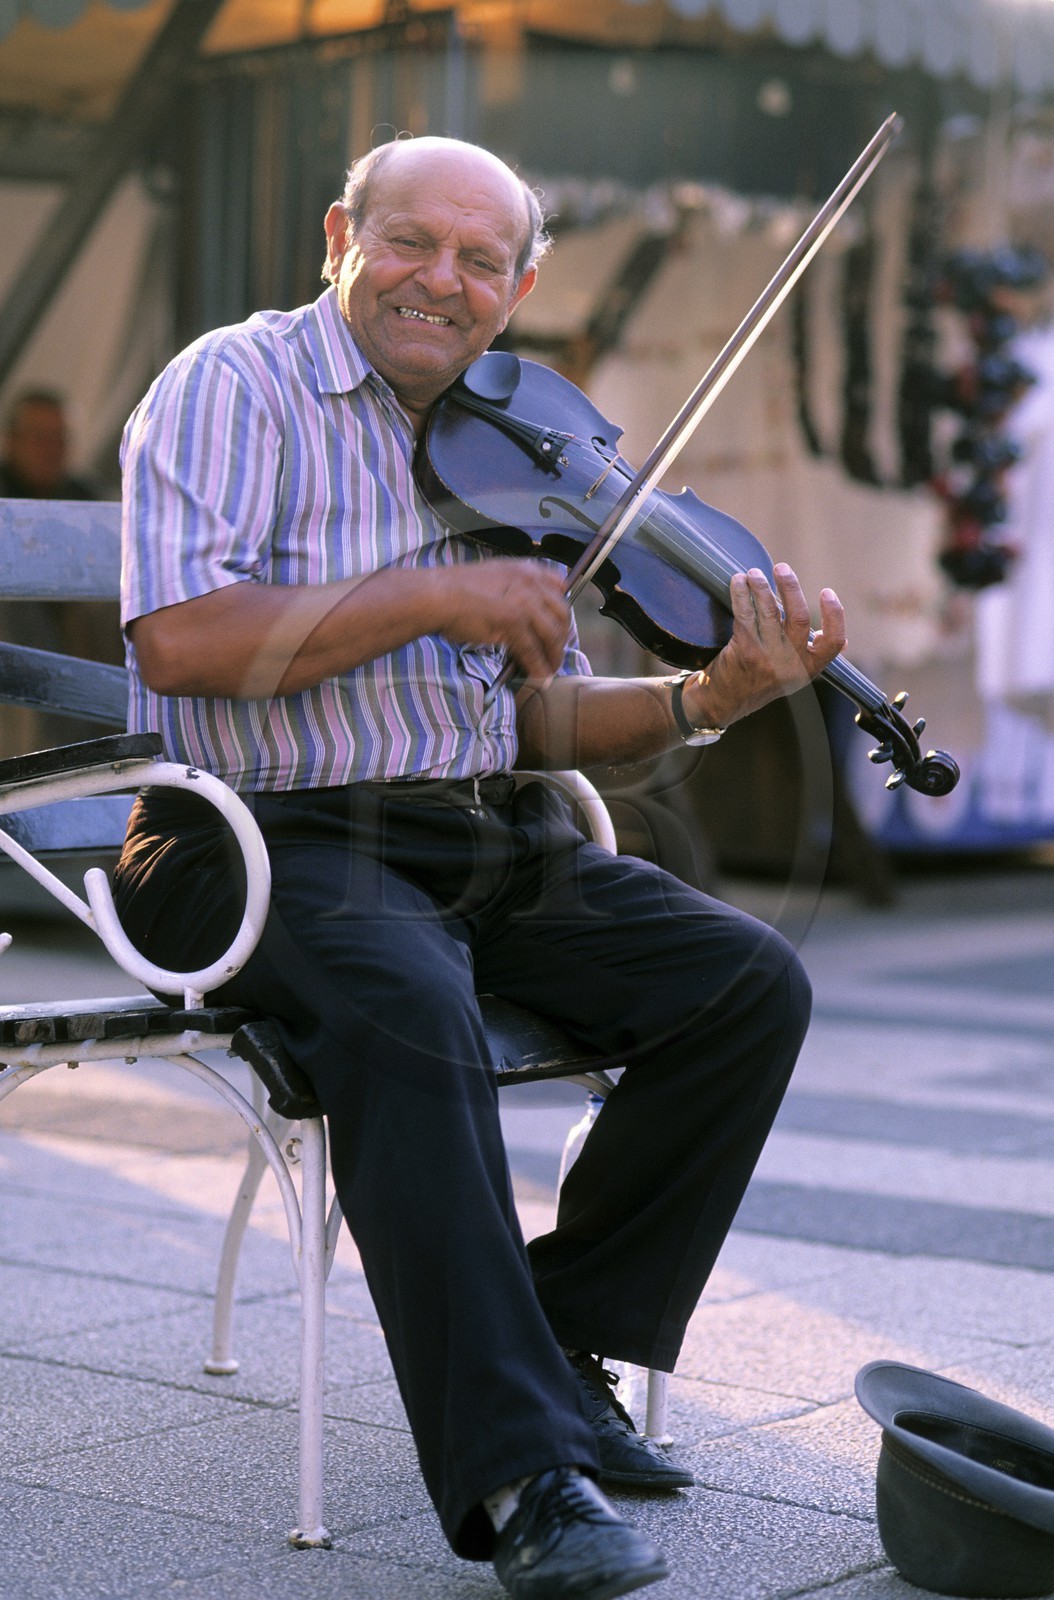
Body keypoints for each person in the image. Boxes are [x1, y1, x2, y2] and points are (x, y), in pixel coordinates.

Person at [113, 136, 846, 1600]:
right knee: (405, 1006)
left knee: (743, 983)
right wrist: (429, 593)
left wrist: (709, 701)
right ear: (340, 235)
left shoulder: (516, 448)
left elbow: (538, 716)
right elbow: (177, 640)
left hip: (477, 830)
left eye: (479, 261)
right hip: (258, 833)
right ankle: (521, 1473)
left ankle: (552, 1339)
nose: (439, 282)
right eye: (409, 242)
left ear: (520, 288)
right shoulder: (230, 381)